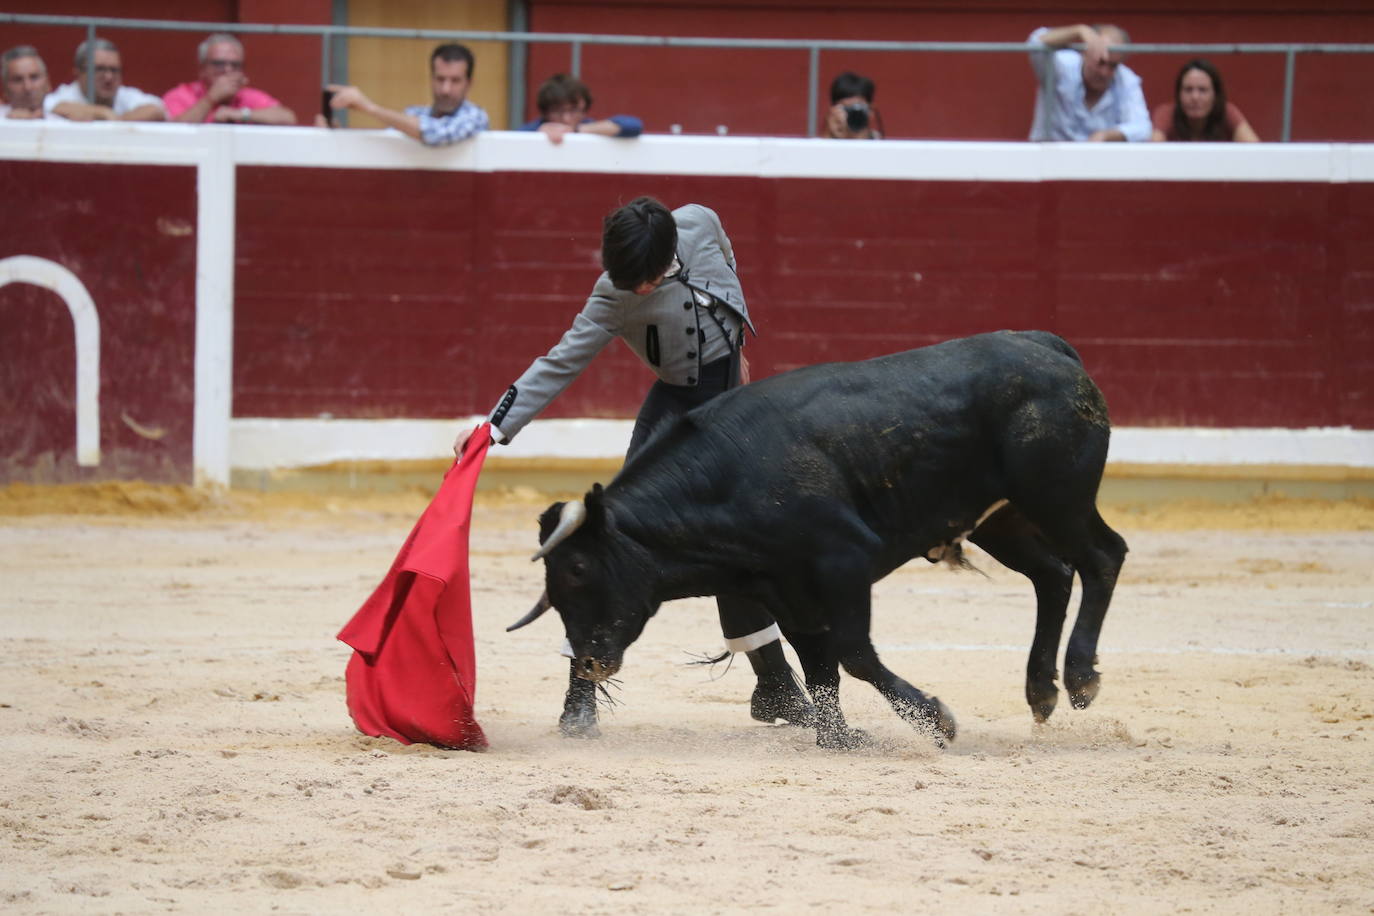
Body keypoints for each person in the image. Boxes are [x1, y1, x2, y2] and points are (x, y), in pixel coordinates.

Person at [466, 197, 815, 739]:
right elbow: (560, 362)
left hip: (734, 412)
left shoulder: (700, 222)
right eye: (631, 284)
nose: (642, 292)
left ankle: (773, 686)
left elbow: (727, 264)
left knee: (744, 544)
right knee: (613, 545)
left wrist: (735, 342)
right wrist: (493, 426)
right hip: (674, 414)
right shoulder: (613, 294)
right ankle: (579, 693)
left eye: (647, 280)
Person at [327, 43, 488, 147]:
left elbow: (435, 134)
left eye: (455, 81)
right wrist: (338, 136)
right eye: (440, 79)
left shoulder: (475, 116)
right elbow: (385, 147)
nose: (446, 89)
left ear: (469, 84)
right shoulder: (413, 114)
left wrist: (369, 107)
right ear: (431, 79)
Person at [1027, 23, 1150, 142]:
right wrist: (1078, 30)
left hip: (1100, 157)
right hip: (1052, 154)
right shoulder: (1062, 65)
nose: (1104, 72)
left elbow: (1143, 128)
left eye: (1113, 66)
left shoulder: (1125, 79)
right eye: (1100, 62)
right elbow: (1035, 43)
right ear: (1085, 53)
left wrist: (1106, 135)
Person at [163, 33, 296, 125]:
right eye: (219, 64)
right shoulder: (181, 95)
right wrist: (211, 99)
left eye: (235, 65)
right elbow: (176, 130)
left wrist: (239, 114)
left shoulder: (246, 95)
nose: (228, 70)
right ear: (202, 69)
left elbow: (288, 118)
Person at [44, 38, 164, 122]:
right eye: (100, 69)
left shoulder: (123, 94)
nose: (109, 77)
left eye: (114, 70)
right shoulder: (67, 94)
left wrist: (115, 121)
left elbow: (157, 109)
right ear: (78, 73)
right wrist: (103, 113)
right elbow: (50, 105)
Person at [1151, 58, 1259, 143]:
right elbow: (1152, 153)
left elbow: (1256, 152)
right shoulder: (1166, 114)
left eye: (1203, 90)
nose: (1195, 97)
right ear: (1179, 94)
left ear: (1215, 95)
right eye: (1188, 90)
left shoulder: (1227, 113)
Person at [517, 73, 641, 145]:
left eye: (573, 110)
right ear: (545, 111)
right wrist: (538, 135)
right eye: (557, 111)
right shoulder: (533, 129)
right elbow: (514, 141)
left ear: (584, 108)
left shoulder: (588, 126)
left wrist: (576, 130)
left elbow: (633, 126)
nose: (566, 118)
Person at [824, 71, 881, 140]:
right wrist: (829, 137)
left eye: (858, 108)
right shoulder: (819, 146)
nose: (854, 115)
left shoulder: (883, 146)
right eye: (847, 109)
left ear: (871, 111)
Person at [1, 45, 51, 120]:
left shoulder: (67, 119)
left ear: (47, 84)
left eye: (34, 77)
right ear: (5, 89)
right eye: (17, 80)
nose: (28, 87)